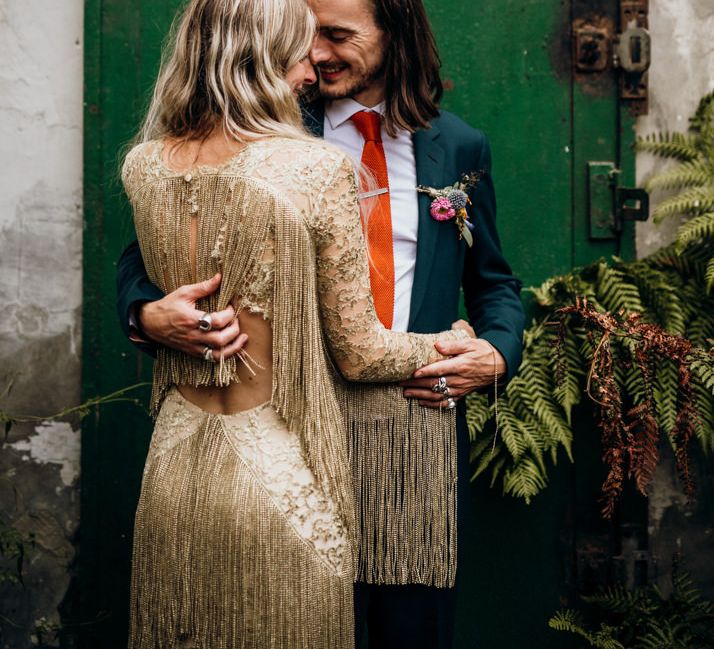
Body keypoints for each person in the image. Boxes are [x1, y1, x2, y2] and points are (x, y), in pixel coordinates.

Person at [119, 0, 475, 647]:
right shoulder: (315, 168)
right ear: (264, 56)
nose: (312, 67)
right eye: (301, 50)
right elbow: (361, 353)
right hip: (279, 478)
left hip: (173, 473)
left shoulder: (143, 166)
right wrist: (452, 342)